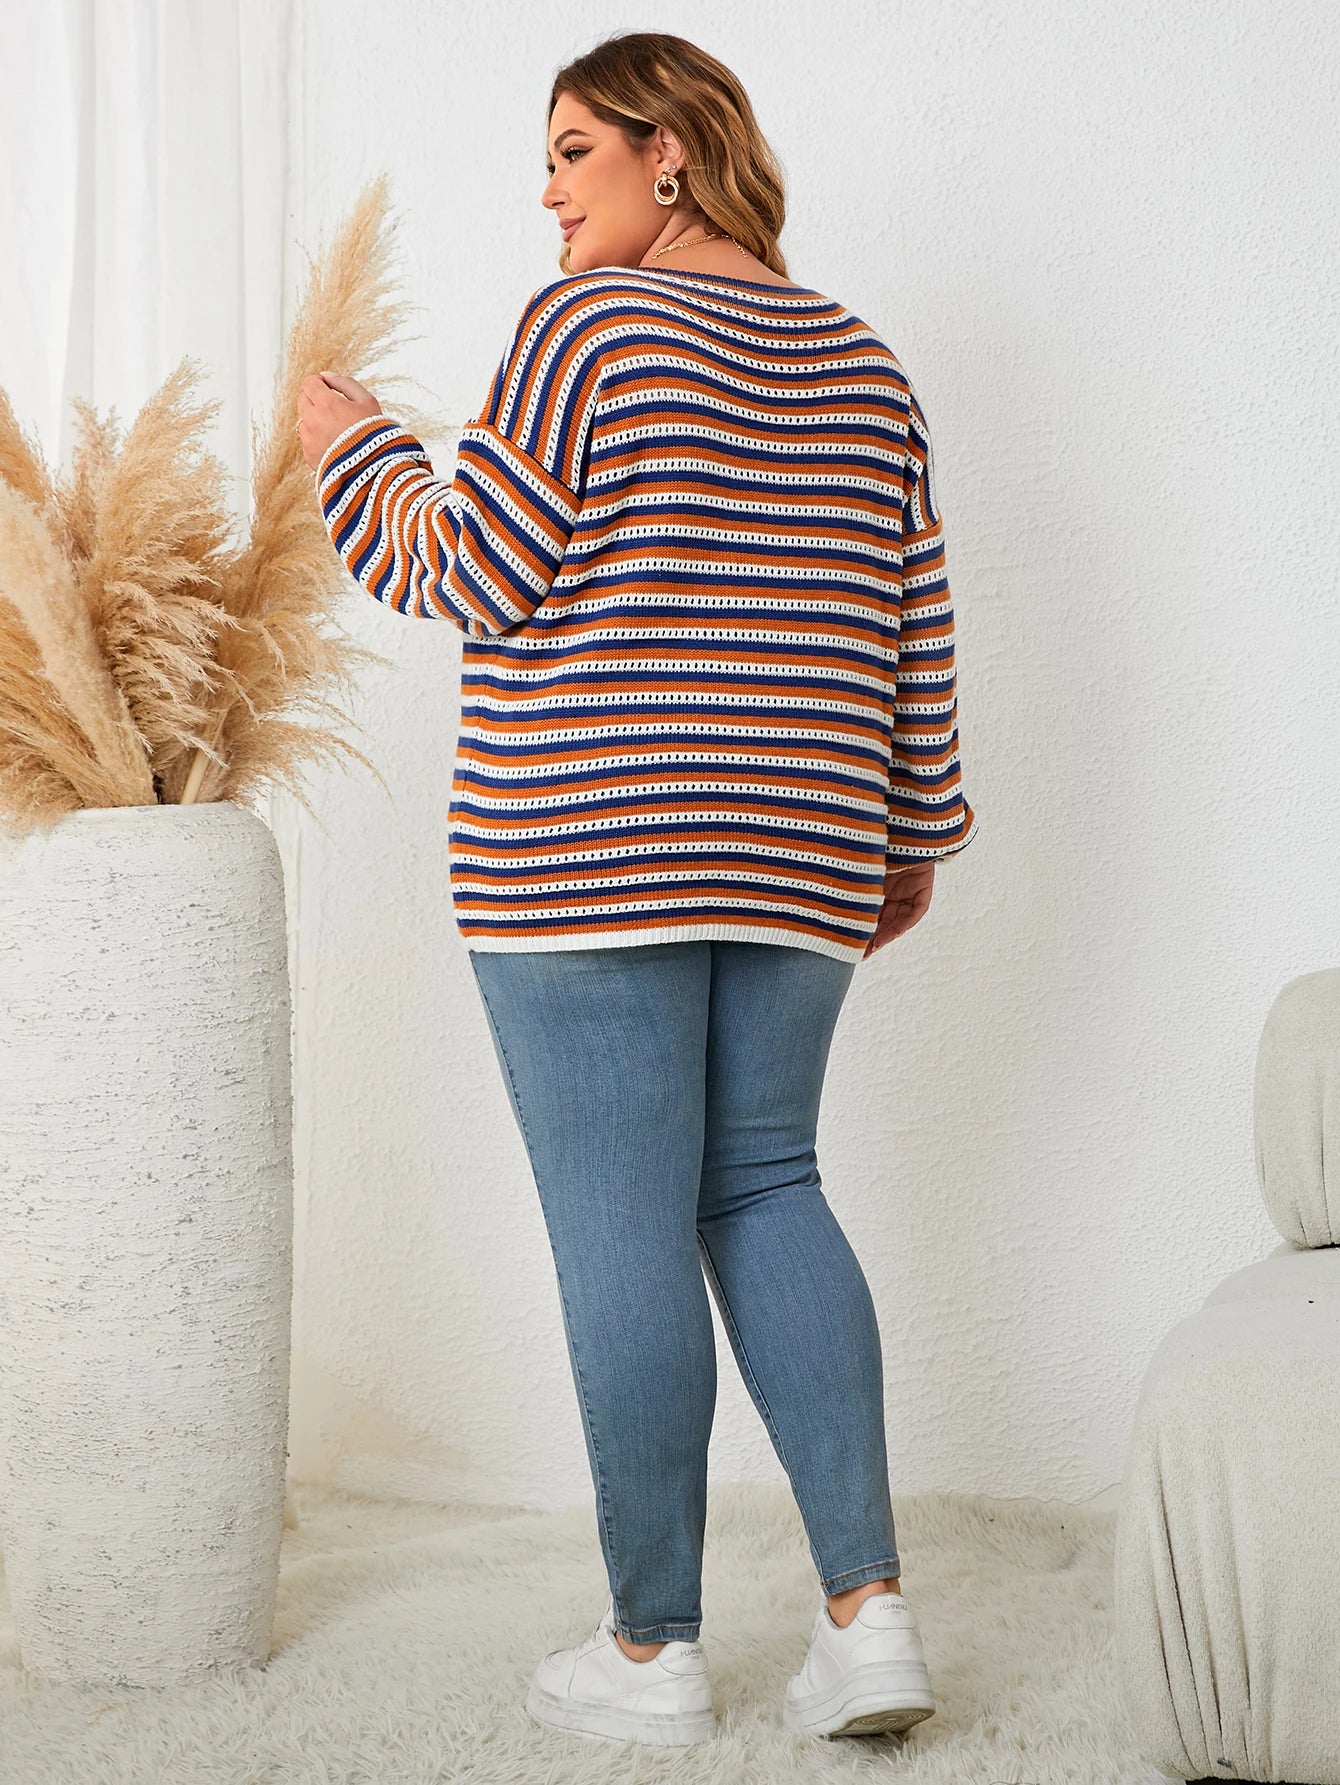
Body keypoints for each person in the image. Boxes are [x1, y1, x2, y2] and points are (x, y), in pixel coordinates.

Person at [299, 27, 976, 1751]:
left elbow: (470, 567)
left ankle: (652, 1644)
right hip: (810, 849)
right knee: (770, 1183)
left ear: (669, 150)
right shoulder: (865, 360)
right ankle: (870, 1617)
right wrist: (909, 835)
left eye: (571, 152)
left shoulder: (585, 328)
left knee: (625, 1228)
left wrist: (356, 450)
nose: (546, 193)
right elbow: (916, 619)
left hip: (586, 846)